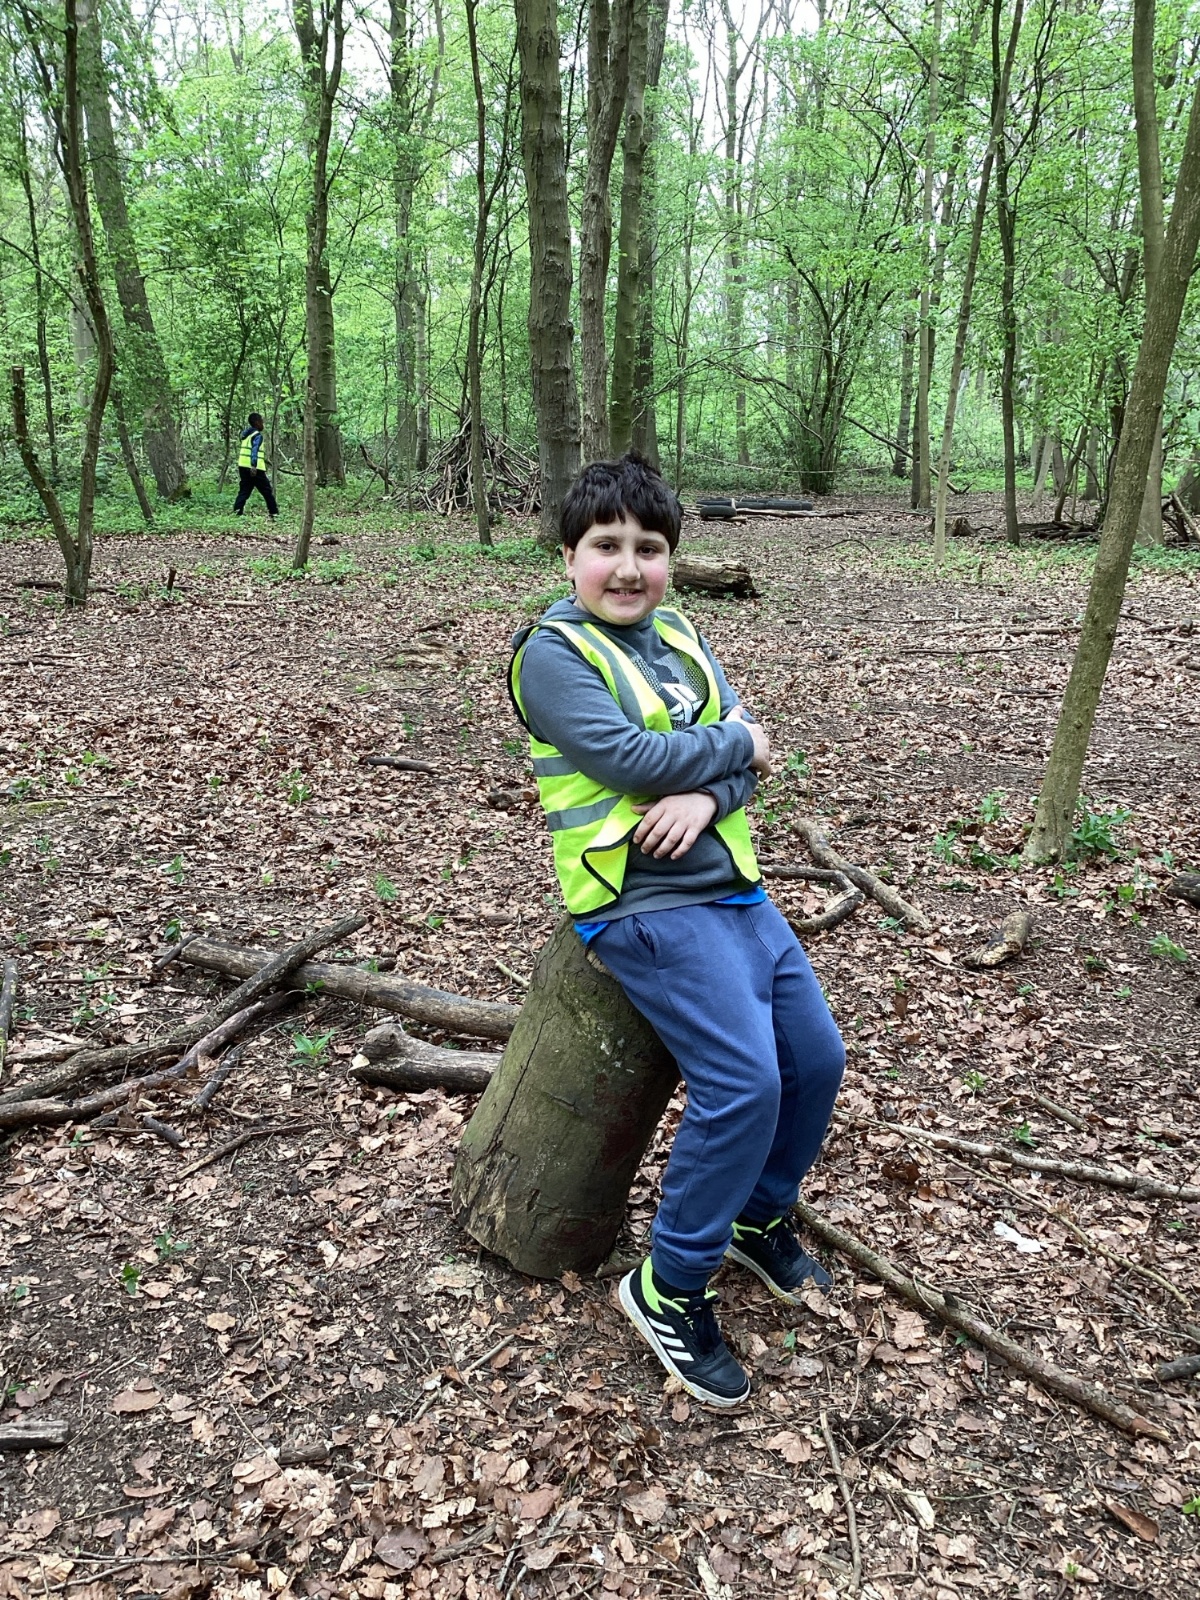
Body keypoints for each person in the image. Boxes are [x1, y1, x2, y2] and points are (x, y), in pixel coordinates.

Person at [509, 452, 845, 1409]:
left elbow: (745, 768)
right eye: (605, 546)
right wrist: (738, 745)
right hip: (639, 902)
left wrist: (708, 794)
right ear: (568, 556)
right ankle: (670, 1283)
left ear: (671, 559)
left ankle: (756, 1218)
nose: (628, 567)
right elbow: (631, 758)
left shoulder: (684, 635)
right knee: (744, 1083)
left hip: (732, 887)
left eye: (648, 549)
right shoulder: (551, 656)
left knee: (815, 1059)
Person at [233, 412, 278, 520]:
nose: (263, 424)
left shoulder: (246, 435)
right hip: (255, 469)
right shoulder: (257, 436)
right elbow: (254, 450)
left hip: (243, 466)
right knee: (267, 491)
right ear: (257, 423)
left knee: (244, 491)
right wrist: (254, 465)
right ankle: (274, 513)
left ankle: (236, 513)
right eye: (262, 422)